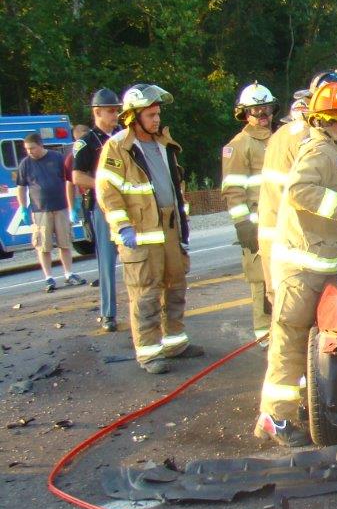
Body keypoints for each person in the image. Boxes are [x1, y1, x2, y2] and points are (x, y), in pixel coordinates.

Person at [256, 78, 337, 446]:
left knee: (307, 343)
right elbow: (301, 190)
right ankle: (275, 417)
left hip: (320, 264)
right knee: (289, 341)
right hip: (301, 268)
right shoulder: (318, 149)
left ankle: (293, 408)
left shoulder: (335, 149)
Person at [96, 84, 203, 373]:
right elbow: (108, 193)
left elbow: (174, 189)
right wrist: (123, 227)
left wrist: (182, 227)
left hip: (169, 230)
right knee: (145, 293)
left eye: (158, 114)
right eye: (151, 115)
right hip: (140, 234)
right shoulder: (118, 147)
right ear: (133, 117)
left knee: (176, 286)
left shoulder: (164, 144)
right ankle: (149, 352)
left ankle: (175, 342)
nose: (157, 120)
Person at [258, 70, 337, 301]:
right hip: (297, 242)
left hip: (286, 234)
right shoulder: (314, 138)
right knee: (292, 324)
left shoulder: (290, 131)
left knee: (283, 315)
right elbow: (303, 190)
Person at [222, 81, 277, 343]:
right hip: (255, 227)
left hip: (279, 224)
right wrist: (243, 224)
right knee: (260, 282)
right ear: (245, 113)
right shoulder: (239, 145)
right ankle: (265, 335)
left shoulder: (278, 140)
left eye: (267, 108)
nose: (263, 114)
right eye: (257, 110)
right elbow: (232, 190)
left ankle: (279, 331)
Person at [73, 89, 123, 329]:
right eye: (111, 110)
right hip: (103, 207)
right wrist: (104, 185)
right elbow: (77, 177)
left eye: (117, 110)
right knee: (107, 260)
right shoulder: (87, 142)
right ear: (97, 112)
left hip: (129, 203)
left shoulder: (123, 136)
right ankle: (108, 313)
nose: (116, 115)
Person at [16, 134, 88, 292]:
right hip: (40, 210)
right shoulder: (25, 164)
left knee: (65, 243)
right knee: (43, 246)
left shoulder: (57, 158)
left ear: (41, 145)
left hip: (61, 207)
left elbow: (70, 180)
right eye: (27, 149)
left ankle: (69, 274)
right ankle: (48, 278)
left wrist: (74, 203)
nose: (29, 152)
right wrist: (23, 208)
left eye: (32, 148)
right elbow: (21, 187)